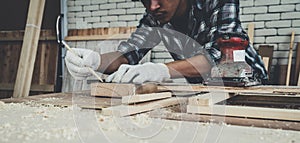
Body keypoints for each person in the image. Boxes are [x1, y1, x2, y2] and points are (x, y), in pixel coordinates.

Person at [65, 0, 268, 84]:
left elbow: (218, 57)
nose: (152, 6)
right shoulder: (155, 18)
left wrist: (160, 70)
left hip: (247, 86)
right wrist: (94, 61)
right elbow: (128, 54)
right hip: (205, 91)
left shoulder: (217, 2)